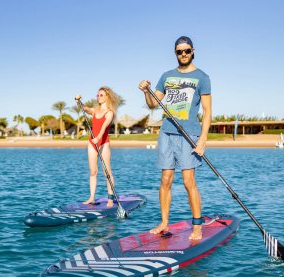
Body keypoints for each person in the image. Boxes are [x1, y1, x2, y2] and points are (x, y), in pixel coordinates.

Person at [138, 36, 212, 241]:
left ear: (193, 50)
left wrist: (203, 139)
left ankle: (197, 226)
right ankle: (164, 223)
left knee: (189, 182)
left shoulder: (202, 77)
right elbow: (153, 104)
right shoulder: (167, 76)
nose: (184, 54)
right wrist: (146, 91)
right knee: (165, 180)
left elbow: (207, 111)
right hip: (166, 133)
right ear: (175, 53)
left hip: (189, 135)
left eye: (187, 50)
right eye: (179, 51)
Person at [75, 87, 120, 208]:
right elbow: (85, 109)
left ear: (107, 97)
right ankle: (91, 198)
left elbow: (105, 125)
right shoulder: (95, 111)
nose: (99, 97)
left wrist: (99, 137)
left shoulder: (110, 112)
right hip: (92, 143)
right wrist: (79, 101)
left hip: (103, 143)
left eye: (101, 95)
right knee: (93, 172)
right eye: (98, 95)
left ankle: (110, 199)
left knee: (107, 173)